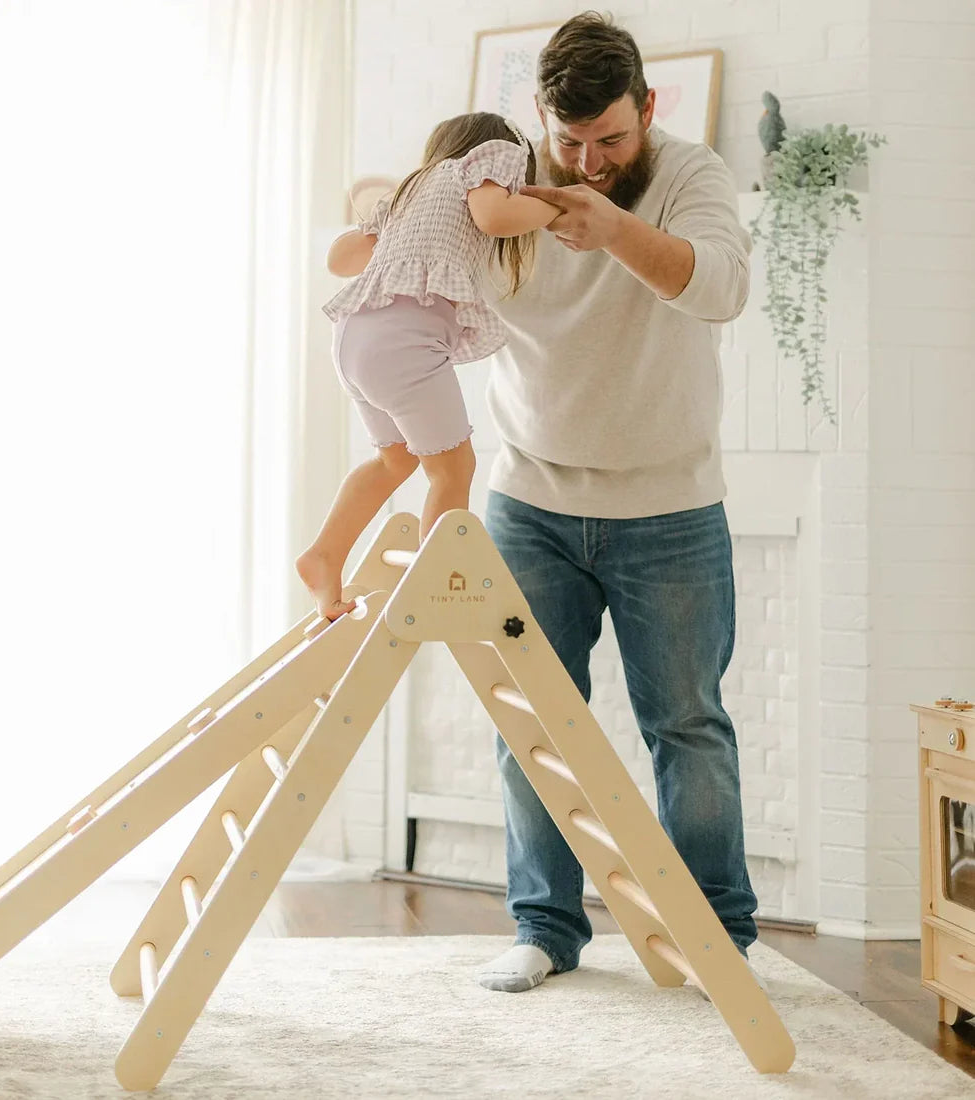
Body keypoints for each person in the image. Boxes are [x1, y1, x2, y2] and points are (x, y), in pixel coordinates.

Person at [474, 11, 763, 995]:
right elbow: (424, 266)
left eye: (610, 139)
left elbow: (719, 286)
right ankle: (545, 926)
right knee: (531, 722)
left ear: (647, 108)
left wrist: (617, 231)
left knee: (685, 724)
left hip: (668, 506)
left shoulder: (688, 177)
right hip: (527, 498)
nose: (590, 162)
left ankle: (714, 932)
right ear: (539, 123)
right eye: (569, 142)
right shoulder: (502, 182)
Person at [296, 112, 561, 621]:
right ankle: (439, 579)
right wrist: (551, 210)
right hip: (403, 342)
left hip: (353, 337)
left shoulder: (410, 191)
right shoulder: (490, 158)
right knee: (454, 468)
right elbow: (493, 218)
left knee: (394, 460)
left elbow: (340, 259)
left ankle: (325, 554)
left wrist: (382, 221)